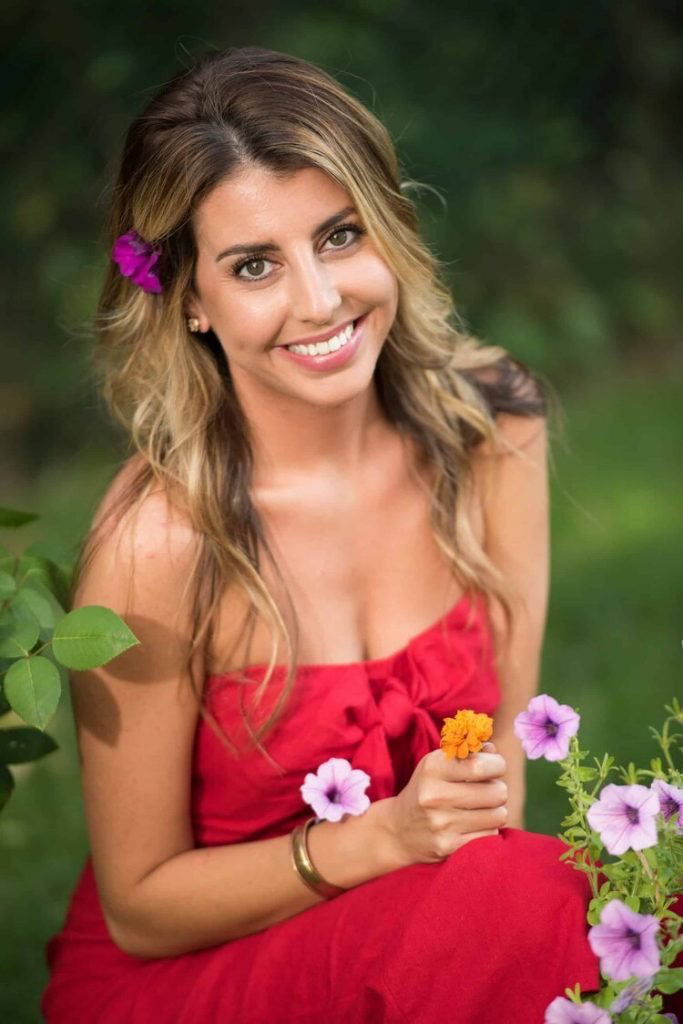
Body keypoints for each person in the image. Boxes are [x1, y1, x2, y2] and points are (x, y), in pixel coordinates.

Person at [42, 46, 602, 1023]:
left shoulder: (490, 427)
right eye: (254, 265)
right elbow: (139, 908)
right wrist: (374, 842)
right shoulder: (159, 546)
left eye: (339, 236)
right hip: (203, 972)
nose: (318, 299)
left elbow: (497, 793)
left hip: (441, 921)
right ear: (191, 302)